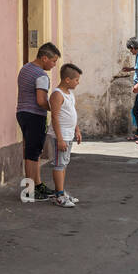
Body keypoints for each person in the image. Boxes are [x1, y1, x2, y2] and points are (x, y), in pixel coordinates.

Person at [17, 42, 61, 200]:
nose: (55, 65)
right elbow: (41, 100)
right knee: (32, 153)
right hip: (35, 115)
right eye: (53, 61)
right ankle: (29, 191)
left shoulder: (25, 69)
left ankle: (38, 184)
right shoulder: (41, 75)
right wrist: (55, 109)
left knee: (34, 152)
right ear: (44, 58)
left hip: (22, 112)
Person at [46, 63, 83, 206]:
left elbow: (72, 113)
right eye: (76, 80)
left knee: (64, 163)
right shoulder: (57, 94)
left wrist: (77, 130)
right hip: (60, 137)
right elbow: (54, 117)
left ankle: (61, 191)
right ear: (67, 79)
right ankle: (59, 196)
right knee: (59, 164)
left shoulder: (69, 94)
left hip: (69, 135)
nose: (78, 82)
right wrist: (59, 139)